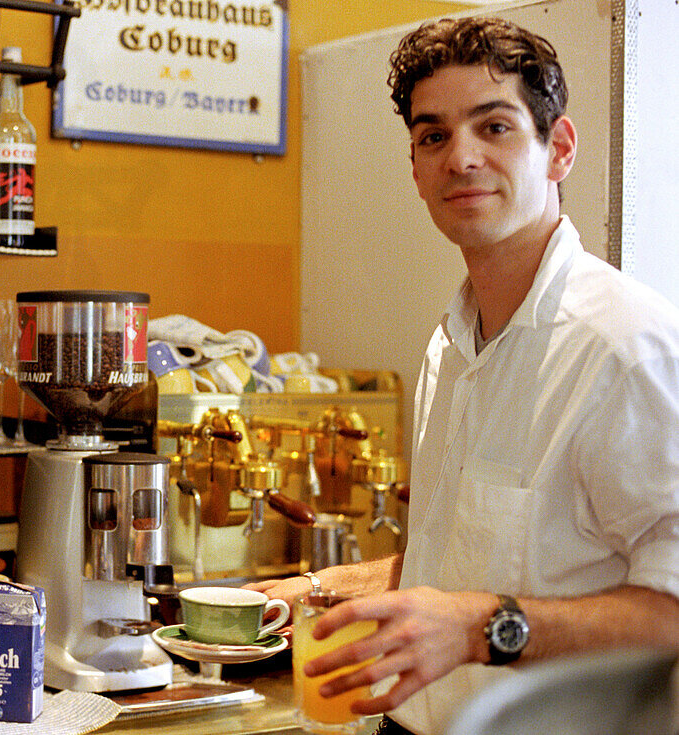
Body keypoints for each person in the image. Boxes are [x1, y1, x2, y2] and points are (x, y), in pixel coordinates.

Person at [247, 16, 679, 735]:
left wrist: (485, 627)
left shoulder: (625, 348)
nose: (462, 158)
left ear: (559, 149)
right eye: (433, 135)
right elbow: (444, 572)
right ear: (415, 167)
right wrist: (310, 590)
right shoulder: (451, 344)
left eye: (496, 127)